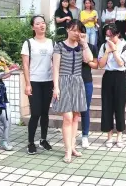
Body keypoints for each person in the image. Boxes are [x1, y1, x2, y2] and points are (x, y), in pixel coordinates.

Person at [52, 20, 94, 163]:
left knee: (76, 117)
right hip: (63, 82)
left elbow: (89, 59)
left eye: (79, 30)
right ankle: (67, 150)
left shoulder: (81, 47)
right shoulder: (59, 46)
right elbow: (55, 68)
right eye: (74, 30)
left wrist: (84, 43)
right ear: (68, 30)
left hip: (77, 82)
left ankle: (73, 146)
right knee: (68, 117)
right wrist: (56, 87)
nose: (77, 33)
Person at [21, 15, 54, 155]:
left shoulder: (52, 43)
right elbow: (25, 65)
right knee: (35, 113)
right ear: (33, 27)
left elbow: (56, 63)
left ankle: (43, 139)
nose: (42, 25)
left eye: (43, 23)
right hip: (34, 81)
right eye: (38, 23)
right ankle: (30, 142)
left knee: (45, 113)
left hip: (48, 81)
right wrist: (28, 84)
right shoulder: (28, 43)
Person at [98, 24, 126, 148]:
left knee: (119, 106)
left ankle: (119, 135)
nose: (109, 38)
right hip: (108, 76)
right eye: (107, 35)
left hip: (120, 77)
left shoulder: (125, 45)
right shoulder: (103, 46)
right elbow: (101, 64)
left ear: (117, 34)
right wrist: (107, 51)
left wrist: (114, 50)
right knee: (107, 106)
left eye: (111, 35)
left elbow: (121, 63)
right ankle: (109, 136)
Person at [80, 35, 99, 148]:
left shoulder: (91, 47)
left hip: (86, 81)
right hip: (72, 82)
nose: (81, 36)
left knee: (85, 109)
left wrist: (87, 61)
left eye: (83, 33)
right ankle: (70, 136)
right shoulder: (72, 47)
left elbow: (96, 65)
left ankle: (85, 136)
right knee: (71, 111)